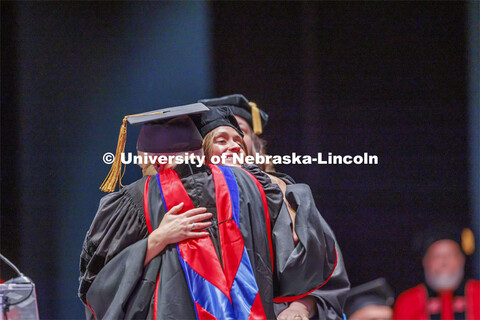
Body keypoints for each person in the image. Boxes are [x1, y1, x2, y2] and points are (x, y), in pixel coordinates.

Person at [79, 103, 337, 319]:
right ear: (199, 150)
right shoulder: (256, 185)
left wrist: (156, 240)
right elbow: (305, 249)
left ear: (154, 160)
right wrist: (300, 305)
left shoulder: (136, 199)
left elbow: (98, 283)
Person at [197, 97, 351, 320]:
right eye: (220, 137)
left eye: (239, 132)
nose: (231, 144)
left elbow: (325, 274)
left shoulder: (287, 196)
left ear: (254, 144)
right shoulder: (181, 197)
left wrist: (300, 308)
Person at [393, 224, 479, 320]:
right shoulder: (408, 301)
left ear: (462, 259)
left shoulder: (477, 293)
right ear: (425, 261)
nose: (444, 262)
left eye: (451, 255)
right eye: (437, 256)